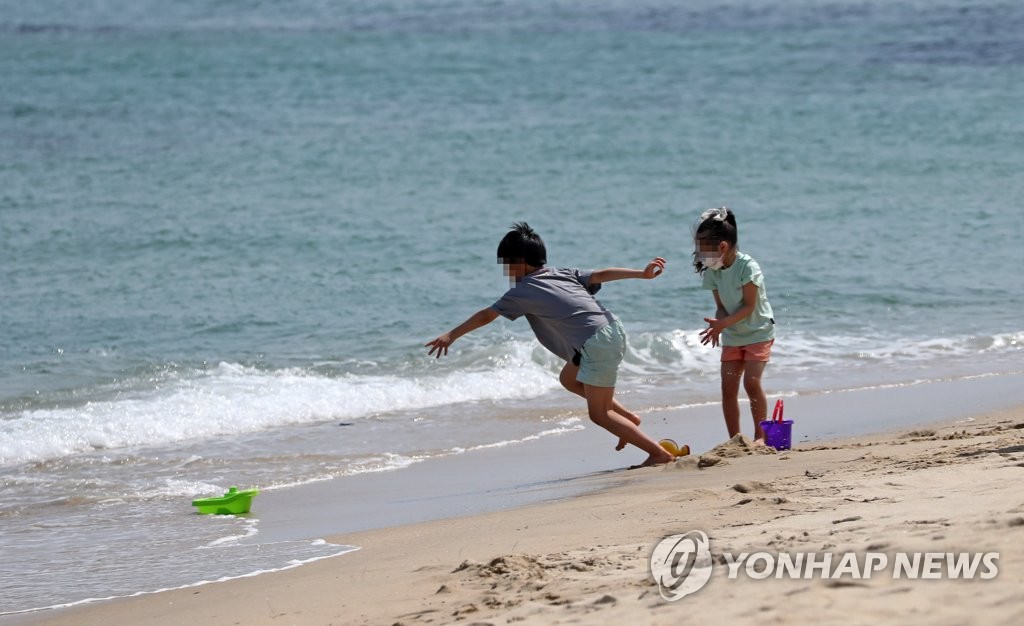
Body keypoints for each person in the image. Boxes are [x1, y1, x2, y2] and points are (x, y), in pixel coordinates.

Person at [426, 222, 676, 467]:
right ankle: (627, 418)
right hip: (612, 330)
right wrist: (641, 274)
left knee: (599, 415)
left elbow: (486, 315)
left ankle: (658, 454)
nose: (507, 273)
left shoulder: (522, 291)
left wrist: (452, 334)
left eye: (507, 266)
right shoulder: (561, 272)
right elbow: (601, 274)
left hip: (594, 342)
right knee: (569, 379)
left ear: (519, 263)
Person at [693, 207, 776, 442]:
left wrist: (723, 323)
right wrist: (719, 322)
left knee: (751, 383)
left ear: (722, 246)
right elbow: (721, 306)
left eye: (703, 249)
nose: (699, 255)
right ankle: (735, 440)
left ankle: (761, 437)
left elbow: (750, 306)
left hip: (758, 331)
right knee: (728, 388)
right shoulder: (713, 271)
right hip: (732, 333)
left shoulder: (747, 267)